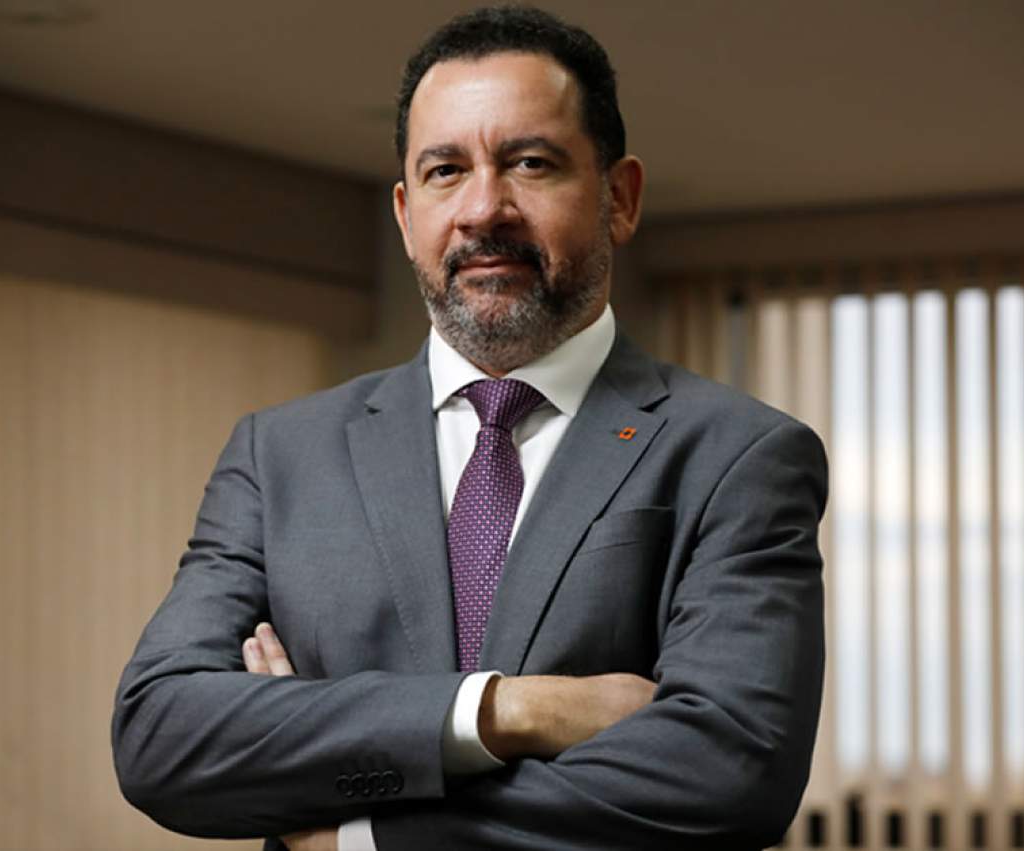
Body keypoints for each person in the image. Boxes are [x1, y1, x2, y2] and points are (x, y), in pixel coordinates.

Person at [112, 6, 828, 850]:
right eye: (446, 170)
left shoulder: (738, 455)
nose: (484, 208)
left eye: (530, 163)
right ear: (405, 212)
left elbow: (731, 771)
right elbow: (161, 735)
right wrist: (507, 709)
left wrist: (357, 833)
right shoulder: (280, 456)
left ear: (620, 197)